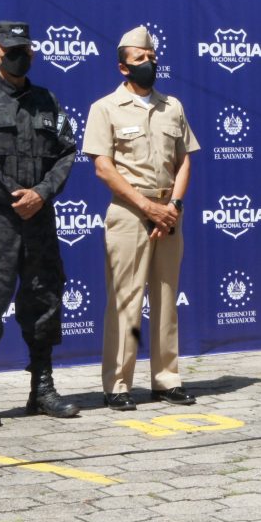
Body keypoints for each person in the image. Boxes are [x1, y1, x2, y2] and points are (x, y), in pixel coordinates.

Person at [0, 21, 80, 427]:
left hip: (39, 219)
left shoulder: (46, 101)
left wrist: (41, 193)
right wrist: (16, 197)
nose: (19, 56)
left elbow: (67, 151)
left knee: (44, 300)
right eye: (11, 51)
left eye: (25, 50)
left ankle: (42, 389)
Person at [83, 25, 199, 412]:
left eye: (151, 57)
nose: (148, 63)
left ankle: (167, 379)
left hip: (169, 213)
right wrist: (147, 207)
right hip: (130, 212)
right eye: (140, 59)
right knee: (127, 300)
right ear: (123, 67)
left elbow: (184, 160)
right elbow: (103, 167)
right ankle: (118, 384)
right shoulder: (105, 108)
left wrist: (174, 206)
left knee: (166, 298)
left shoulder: (172, 106)